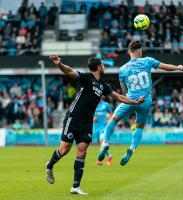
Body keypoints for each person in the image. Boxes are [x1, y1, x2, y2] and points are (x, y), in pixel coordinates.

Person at [45, 55, 144, 195]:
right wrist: (59, 64)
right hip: (73, 117)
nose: (104, 66)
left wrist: (135, 102)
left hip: (87, 122)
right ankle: (49, 165)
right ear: (98, 67)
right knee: (65, 149)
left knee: (82, 151)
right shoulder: (86, 78)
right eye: (102, 64)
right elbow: (70, 71)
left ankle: (75, 186)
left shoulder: (103, 85)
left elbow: (119, 97)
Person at [98, 40, 183, 166]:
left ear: (129, 52)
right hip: (146, 101)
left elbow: (124, 90)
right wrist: (177, 67)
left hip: (131, 99)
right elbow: (164, 66)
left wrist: (130, 97)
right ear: (140, 51)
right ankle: (132, 148)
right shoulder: (147, 61)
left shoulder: (122, 69)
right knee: (139, 127)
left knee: (114, 119)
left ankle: (105, 143)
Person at [94, 97, 113, 166]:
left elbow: (111, 113)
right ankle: (108, 157)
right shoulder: (93, 104)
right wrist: (93, 118)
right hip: (96, 128)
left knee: (102, 142)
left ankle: (101, 160)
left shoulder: (106, 104)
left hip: (103, 127)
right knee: (101, 144)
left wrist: (109, 120)